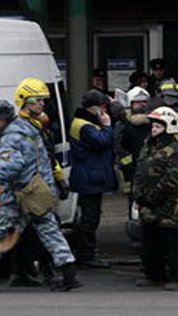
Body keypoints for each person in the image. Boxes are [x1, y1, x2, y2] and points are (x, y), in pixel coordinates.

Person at [0, 80, 81, 291]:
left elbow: (12, 167)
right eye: (38, 100)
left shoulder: (11, 136)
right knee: (49, 232)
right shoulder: (27, 127)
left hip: (21, 193)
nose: (42, 104)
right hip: (38, 191)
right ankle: (69, 274)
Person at [133, 106, 178, 291]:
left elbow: (173, 177)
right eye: (153, 125)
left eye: (158, 126)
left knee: (172, 240)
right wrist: (139, 195)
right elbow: (140, 171)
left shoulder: (176, 149)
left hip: (168, 203)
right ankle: (154, 275)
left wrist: (154, 197)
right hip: (147, 203)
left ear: (169, 127)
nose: (153, 129)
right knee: (151, 240)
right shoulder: (148, 145)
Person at [69, 89, 118, 268]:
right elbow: (102, 141)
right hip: (89, 177)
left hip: (91, 176)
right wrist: (107, 125)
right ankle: (86, 255)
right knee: (89, 218)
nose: (105, 111)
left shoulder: (86, 122)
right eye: (103, 107)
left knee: (91, 215)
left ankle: (86, 252)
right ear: (95, 108)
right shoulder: (84, 125)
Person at [119, 87, 151, 208]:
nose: (142, 105)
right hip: (132, 167)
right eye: (138, 102)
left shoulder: (154, 122)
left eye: (144, 102)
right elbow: (121, 146)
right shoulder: (123, 123)